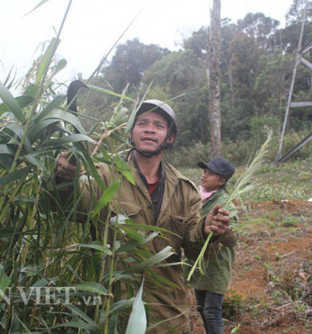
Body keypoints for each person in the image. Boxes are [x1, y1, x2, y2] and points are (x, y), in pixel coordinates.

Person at [54, 99, 231, 333]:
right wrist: (63, 180)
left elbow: (192, 249)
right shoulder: (104, 175)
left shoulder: (184, 190)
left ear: (170, 137)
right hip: (115, 312)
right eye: (142, 123)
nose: (149, 129)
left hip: (168, 315)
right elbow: (70, 208)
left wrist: (206, 231)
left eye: (158, 125)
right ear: (132, 133)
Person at [184, 157, 238, 334]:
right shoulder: (199, 198)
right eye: (204, 171)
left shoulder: (226, 203)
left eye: (210, 173)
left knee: (211, 312)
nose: (204, 176)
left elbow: (233, 238)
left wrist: (224, 229)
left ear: (221, 180)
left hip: (216, 268)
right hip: (200, 266)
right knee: (201, 309)